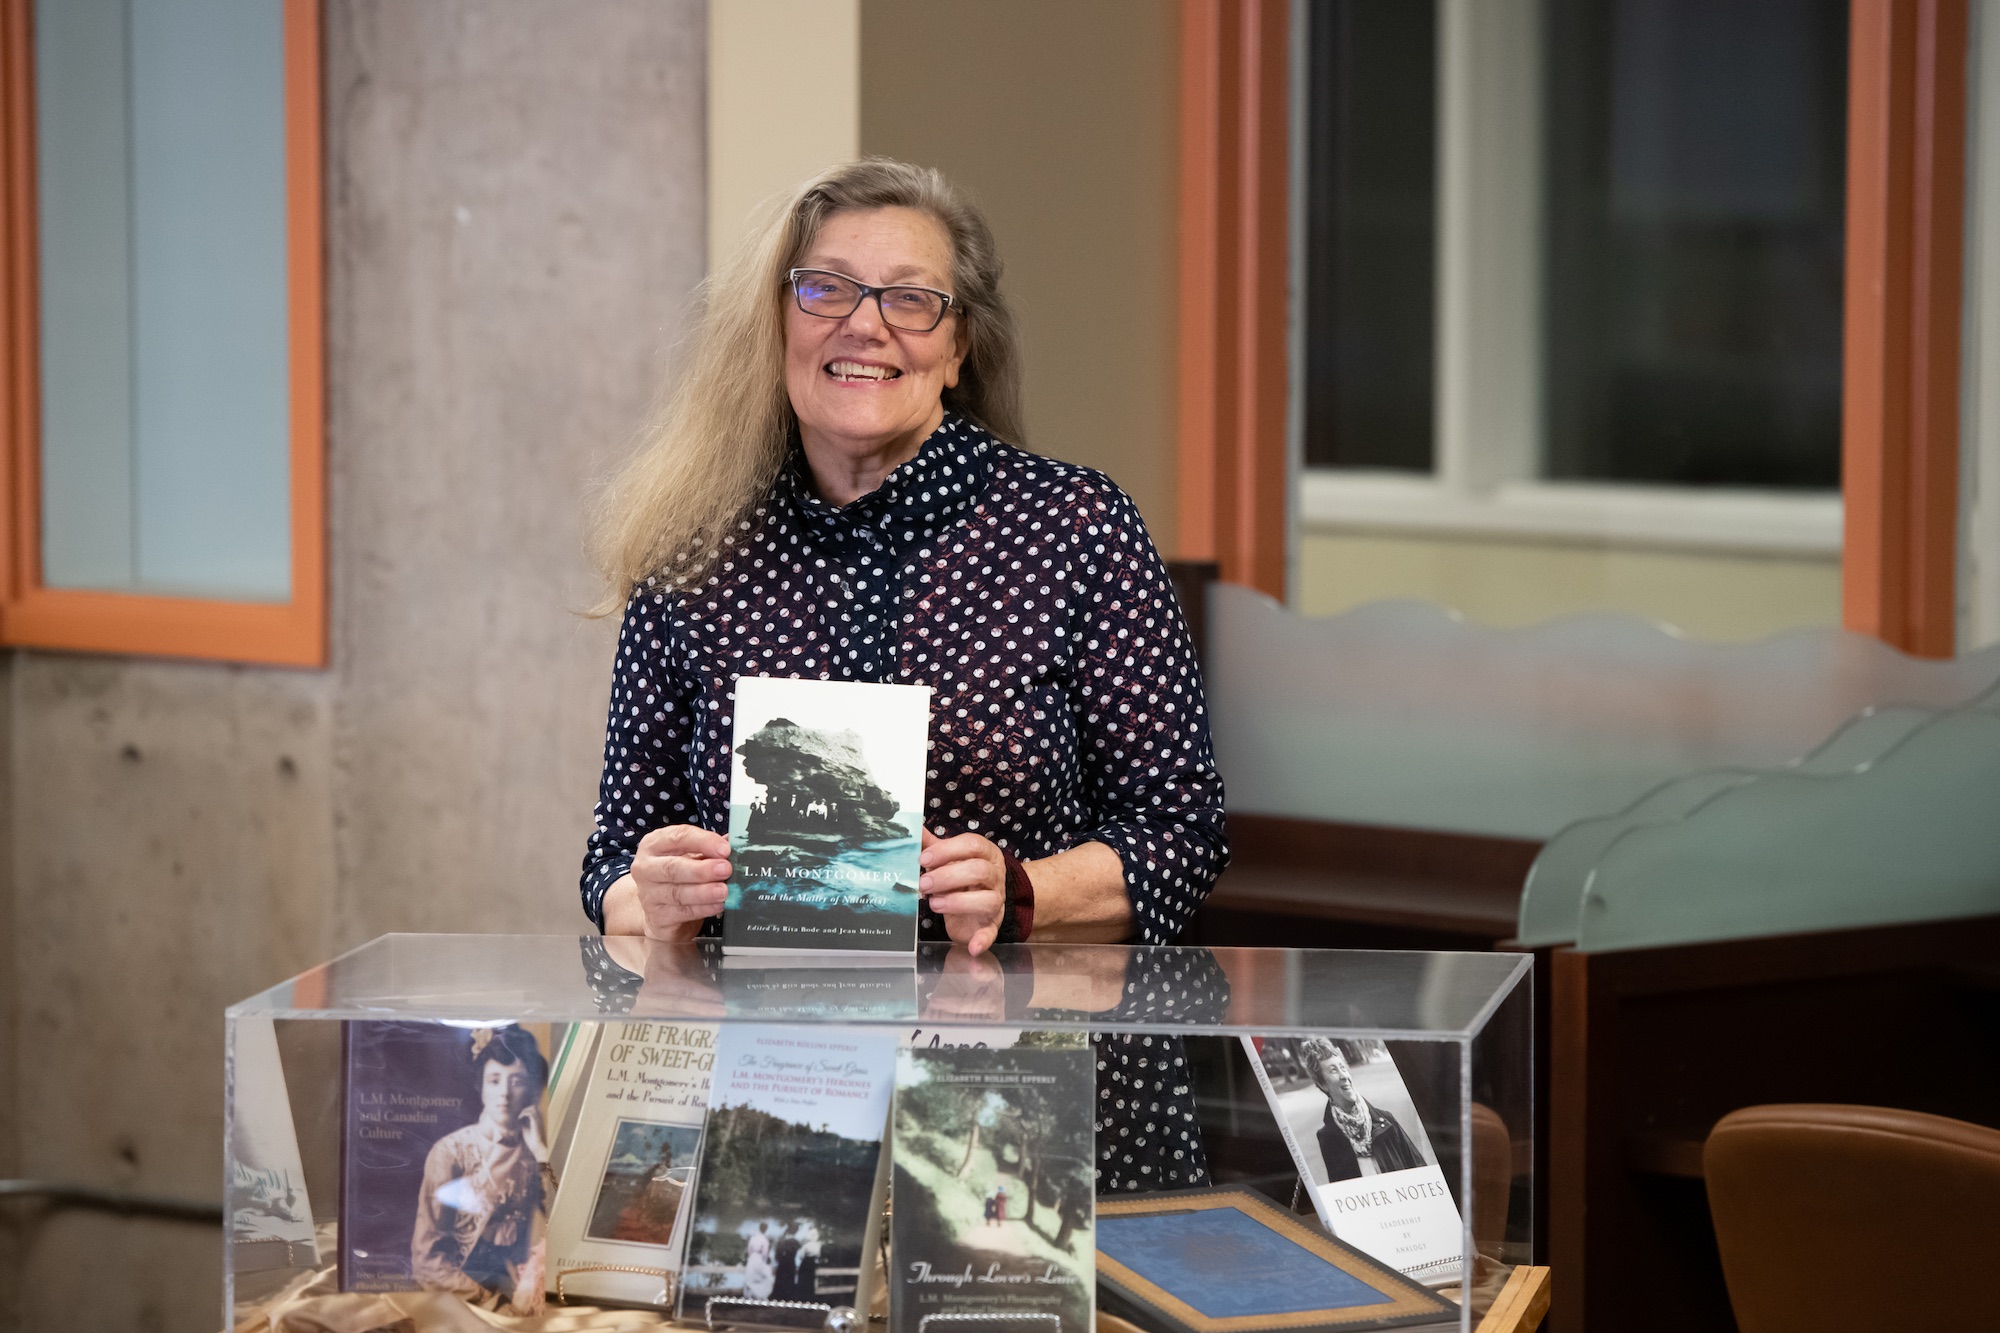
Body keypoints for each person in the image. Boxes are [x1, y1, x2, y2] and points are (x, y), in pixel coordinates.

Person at [579, 158, 1230, 1194]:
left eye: (910, 300)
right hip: (774, 1110)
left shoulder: (1075, 529)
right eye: (824, 288)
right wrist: (647, 897)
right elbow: (612, 861)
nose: (863, 325)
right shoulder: (689, 557)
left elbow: (1182, 835)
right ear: (778, 320)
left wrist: (1025, 892)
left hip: (1039, 1114)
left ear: (960, 343)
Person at [409, 1026, 551, 1314]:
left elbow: (563, 1220)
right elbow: (426, 1260)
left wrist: (540, 1153)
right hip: (459, 1293)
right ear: (481, 1087)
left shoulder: (534, 1150)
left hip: (517, 1288)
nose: (505, 1094)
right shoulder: (452, 1151)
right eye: (495, 1080)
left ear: (533, 1090)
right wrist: (491, 1303)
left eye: (518, 1081)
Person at [1299, 1038, 1424, 1182]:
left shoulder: (1386, 1121)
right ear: (1322, 1084)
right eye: (1333, 1070)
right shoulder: (1328, 1138)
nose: (1344, 1076)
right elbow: (1340, 1192)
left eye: (1343, 1068)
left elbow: (1419, 1168)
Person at [744, 1221, 775, 1300]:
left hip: (752, 1258)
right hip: (759, 1258)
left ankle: (750, 1295)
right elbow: (764, 1253)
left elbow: (749, 1250)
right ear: (765, 1229)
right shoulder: (765, 1240)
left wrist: (751, 1257)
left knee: (751, 1276)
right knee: (761, 1277)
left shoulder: (753, 1238)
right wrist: (763, 1261)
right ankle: (759, 1295)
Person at [773, 1221, 800, 1299]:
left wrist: (779, 1260)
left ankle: (779, 1298)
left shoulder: (781, 1241)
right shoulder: (796, 1243)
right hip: (791, 1264)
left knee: (780, 1282)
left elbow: (776, 1255)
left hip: (782, 1264)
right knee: (789, 1282)